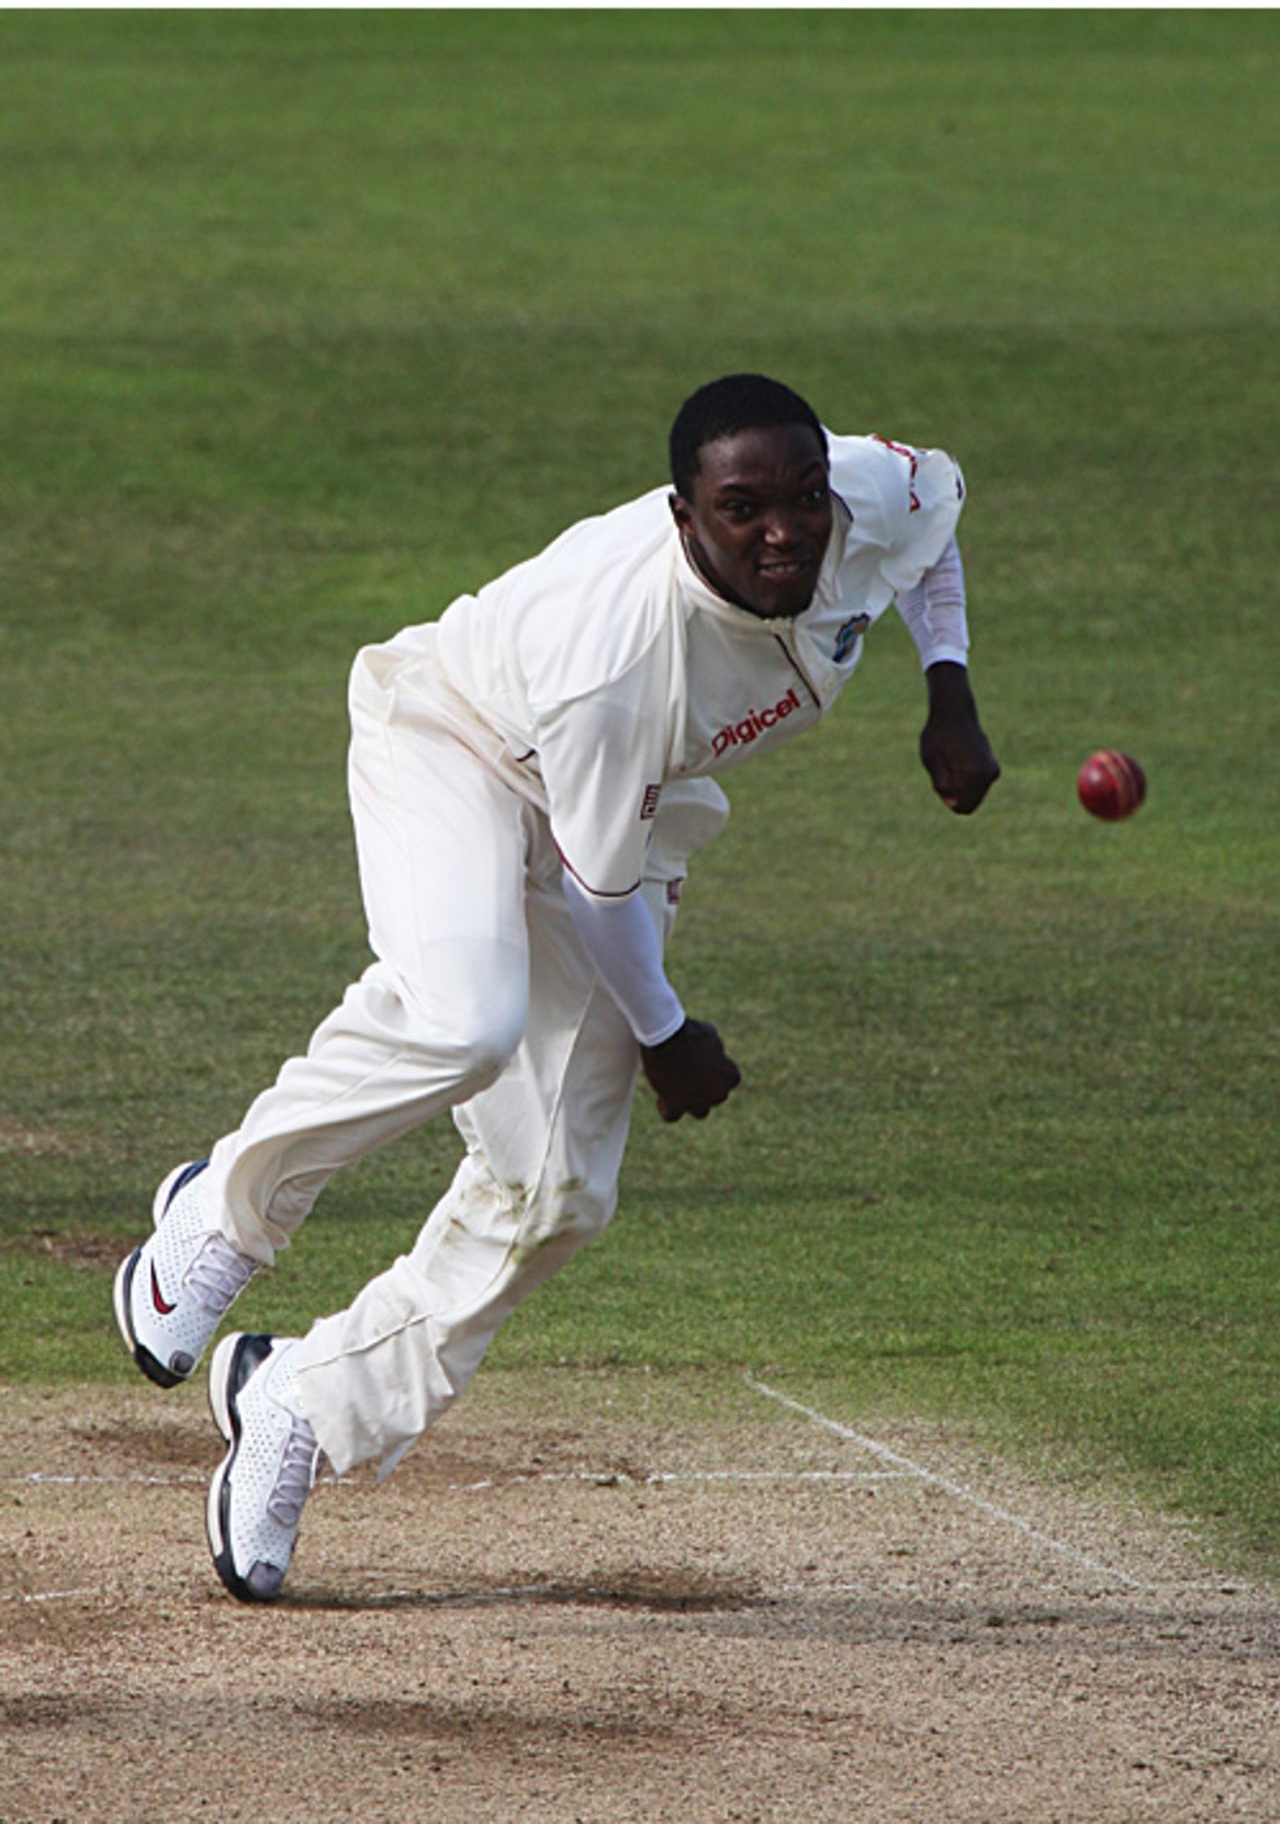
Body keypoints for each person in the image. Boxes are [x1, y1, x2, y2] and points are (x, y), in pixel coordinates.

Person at [112, 371, 999, 1601]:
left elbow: (931, 538)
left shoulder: (871, 489)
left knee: (560, 1192)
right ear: (683, 516)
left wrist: (944, 686)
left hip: (632, 809)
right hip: (460, 739)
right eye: (741, 509)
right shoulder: (619, 649)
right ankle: (225, 1214)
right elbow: (597, 894)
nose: (782, 530)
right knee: (463, 1014)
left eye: (798, 497)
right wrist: (667, 1028)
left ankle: (300, 1403)